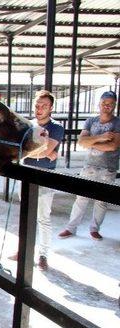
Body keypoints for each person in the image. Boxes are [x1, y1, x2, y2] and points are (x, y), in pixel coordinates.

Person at [8, 90, 64, 271]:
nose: (40, 109)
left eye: (44, 106)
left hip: (44, 176)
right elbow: (19, 149)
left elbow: (46, 151)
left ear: (51, 108)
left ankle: (43, 255)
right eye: (37, 106)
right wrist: (44, 151)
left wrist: (40, 151)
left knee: (43, 218)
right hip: (26, 172)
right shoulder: (29, 125)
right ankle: (23, 251)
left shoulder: (56, 127)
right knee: (26, 214)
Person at [58, 91, 120, 241]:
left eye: (110, 104)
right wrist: (102, 138)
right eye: (105, 103)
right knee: (81, 198)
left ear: (114, 105)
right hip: (89, 166)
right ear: (99, 103)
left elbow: (113, 146)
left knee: (101, 201)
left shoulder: (118, 123)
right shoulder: (90, 121)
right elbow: (81, 142)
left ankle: (94, 229)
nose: (107, 106)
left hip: (108, 168)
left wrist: (91, 142)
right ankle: (71, 228)